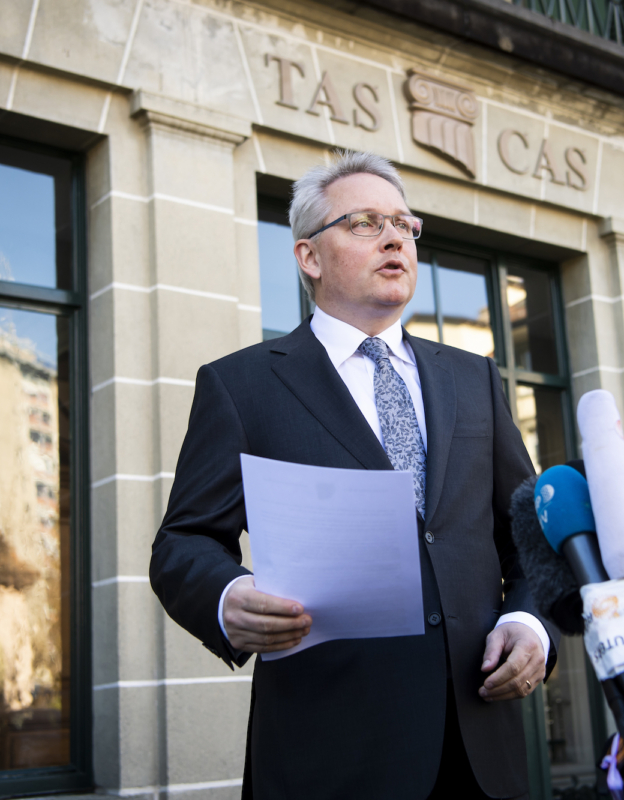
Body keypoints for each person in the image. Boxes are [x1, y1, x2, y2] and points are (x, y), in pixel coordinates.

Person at [150, 150, 559, 799]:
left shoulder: (473, 378)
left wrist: (532, 624)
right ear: (309, 257)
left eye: (404, 223)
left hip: (482, 750)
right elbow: (183, 543)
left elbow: (531, 539)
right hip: (329, 753)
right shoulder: (242, 386)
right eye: (366, 223)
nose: (395, 236)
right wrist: (229, 598)